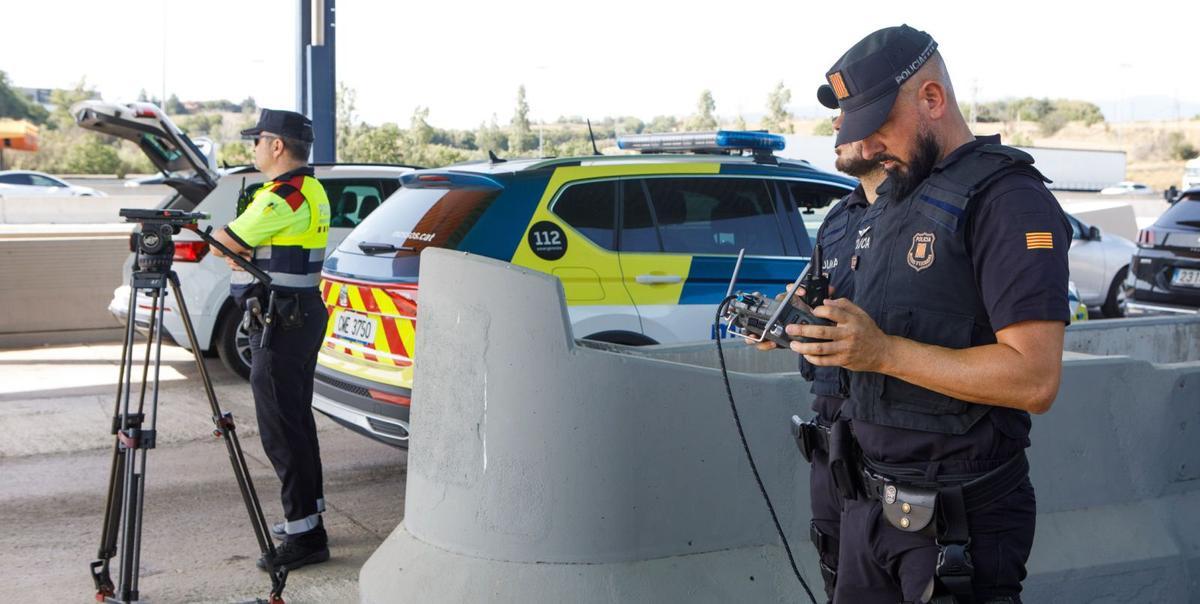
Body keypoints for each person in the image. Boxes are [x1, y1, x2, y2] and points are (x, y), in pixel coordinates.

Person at [787, 25, 1072, 603]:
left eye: (877, 129)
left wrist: (884, 353)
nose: (866, 147)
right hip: (866, 506)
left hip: (955, 521)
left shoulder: (1006, 200)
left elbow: (1036, 379)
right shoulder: (890, 202)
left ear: (932, 100)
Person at [752, 105, 887, 602]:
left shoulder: (912, 215)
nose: (836, 126)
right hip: (830, 442)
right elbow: (814, 300)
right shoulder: (837, 219)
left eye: (851, 115)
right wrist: (786, 325)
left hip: (885, 439)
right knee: (835, 570)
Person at [211, 109, 333, 572]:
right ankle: (308, 517)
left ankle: (305, 536)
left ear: (276, 145)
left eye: (257, 141)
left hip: (282, 321)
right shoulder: (311, 189)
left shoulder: (282, 196)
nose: (254, 149)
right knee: (296, 422)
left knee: (281, 428)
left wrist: (236, 253)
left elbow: (223, 241)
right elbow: (238, 247)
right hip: (299, 315)